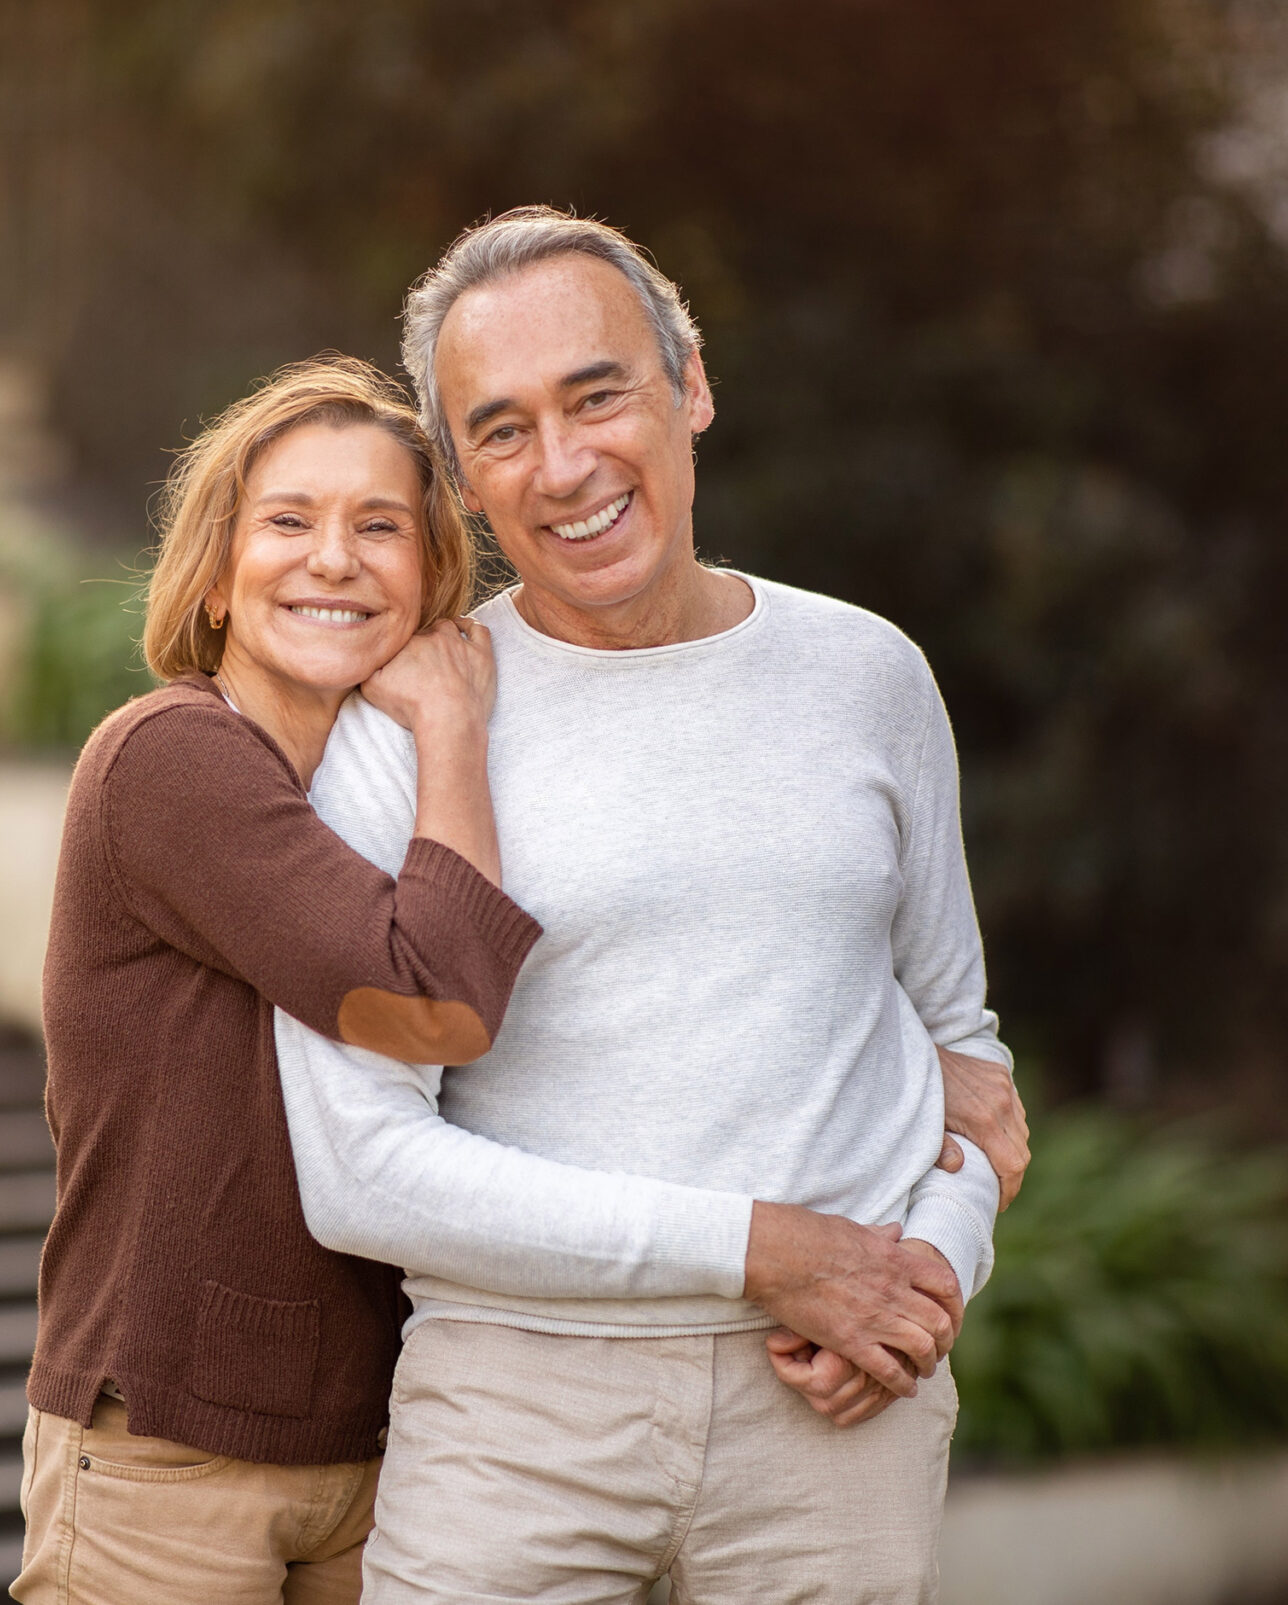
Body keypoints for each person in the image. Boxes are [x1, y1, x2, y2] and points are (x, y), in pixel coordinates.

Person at [15, 353, 1028, 1605]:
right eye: (286, 522)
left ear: (431, 571)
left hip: (362, 1433)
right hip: (170, 1438)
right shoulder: (173, 760)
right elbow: (439, 1001)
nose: (332, 558)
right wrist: (451, 724)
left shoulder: (338, 771)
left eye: (377, 526)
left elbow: (893, 997)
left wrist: (945, 1139)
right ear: (215, 571)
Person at [270, 206, 1026, 1604]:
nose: (563, 467)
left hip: (836, 1418)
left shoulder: (870, 676)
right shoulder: (403, 724)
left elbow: (962, 1047)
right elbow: (362, 1166)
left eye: (598, 394)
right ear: (463, 479)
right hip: (513, 1422)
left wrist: (928, 1270)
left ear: (691, 384)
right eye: (500, 429)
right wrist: (766, 1249)